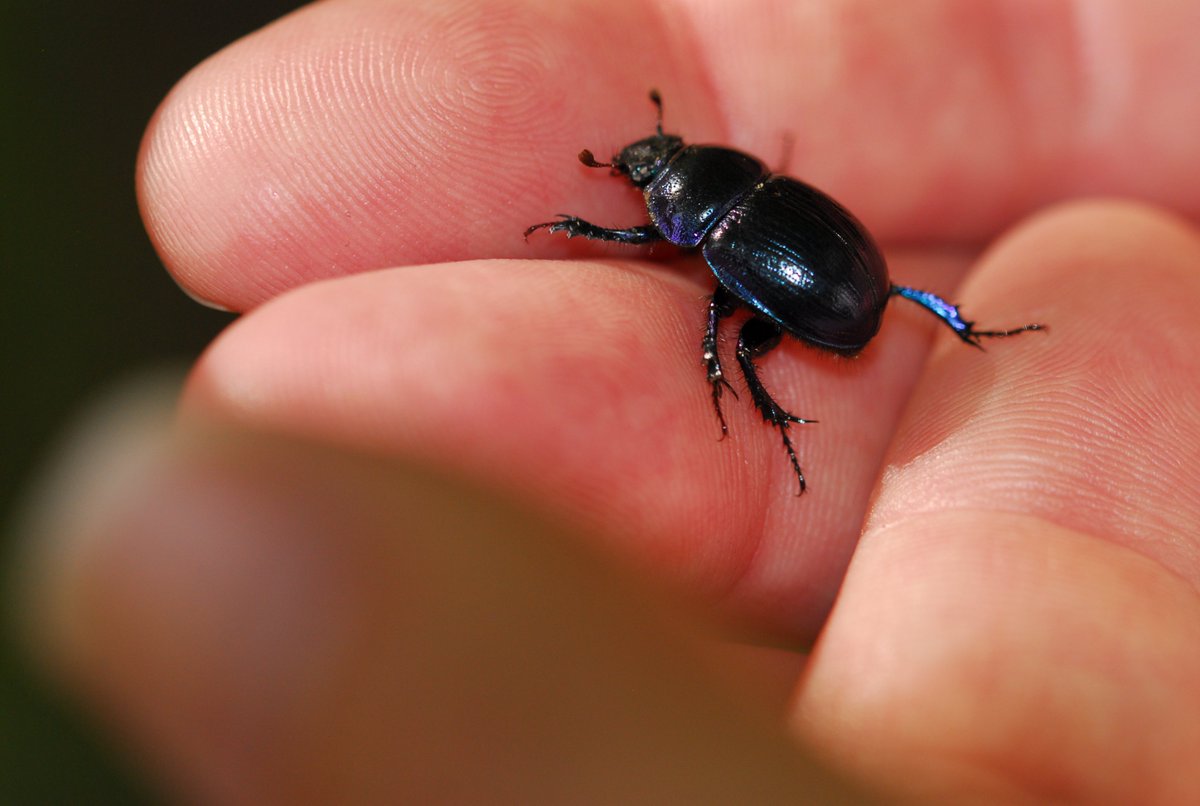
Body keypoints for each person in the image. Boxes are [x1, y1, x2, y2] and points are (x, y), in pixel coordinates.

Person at [23, 1, 1200, 801]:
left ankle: (839, 392)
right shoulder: (754, 190)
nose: (642, 177)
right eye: (643, 174)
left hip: (828, 290)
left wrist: (597, 234)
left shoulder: (713, 229)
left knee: (726, 339)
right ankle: (954, 331)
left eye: (652, 174)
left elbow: (669, 268)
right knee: (862, 307)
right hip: (854, 280)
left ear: (694, 195)